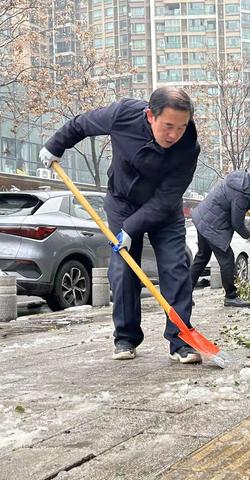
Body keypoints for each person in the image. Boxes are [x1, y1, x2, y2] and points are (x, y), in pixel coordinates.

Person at [39, 87, 202, 364]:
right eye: (168, 126)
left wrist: (132, 229)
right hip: (122, 201)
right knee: (124, 268)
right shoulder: (122, 114)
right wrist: (55, 146)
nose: (174, 135)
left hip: (165, 210)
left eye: (182, 127)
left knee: (175, 268)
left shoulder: (189, 147)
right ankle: (125, 337)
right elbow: (82, 124)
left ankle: (182, 340)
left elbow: (165, 199)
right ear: (150, 116)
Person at [190, 167, 250, 307]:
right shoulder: (243, 193)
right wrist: (249, 235)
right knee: (227, 259)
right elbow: (237, 223)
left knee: (202, 257)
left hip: (202, 216)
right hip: (213, 225)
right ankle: (231, 296)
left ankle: (183, 294)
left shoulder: (239, 177)